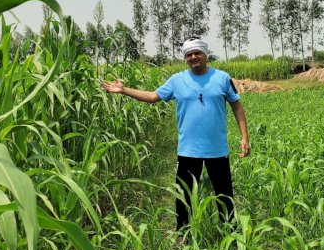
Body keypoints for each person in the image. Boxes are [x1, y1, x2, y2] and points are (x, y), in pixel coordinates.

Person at [101, 38, 250, 230]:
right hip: (188, 150)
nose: (193, 57)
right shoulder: (177, 80)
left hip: (217, 149)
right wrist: (123, 90)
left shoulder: (222, 78)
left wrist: (244, 137)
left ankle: (229, 231)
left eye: (197, 53)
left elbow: (237, 106)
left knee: (224, 194)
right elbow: (152, 97)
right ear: (185, 58)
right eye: (189, 54)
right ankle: (184, 233)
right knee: (183, 195)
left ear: (206, 55)